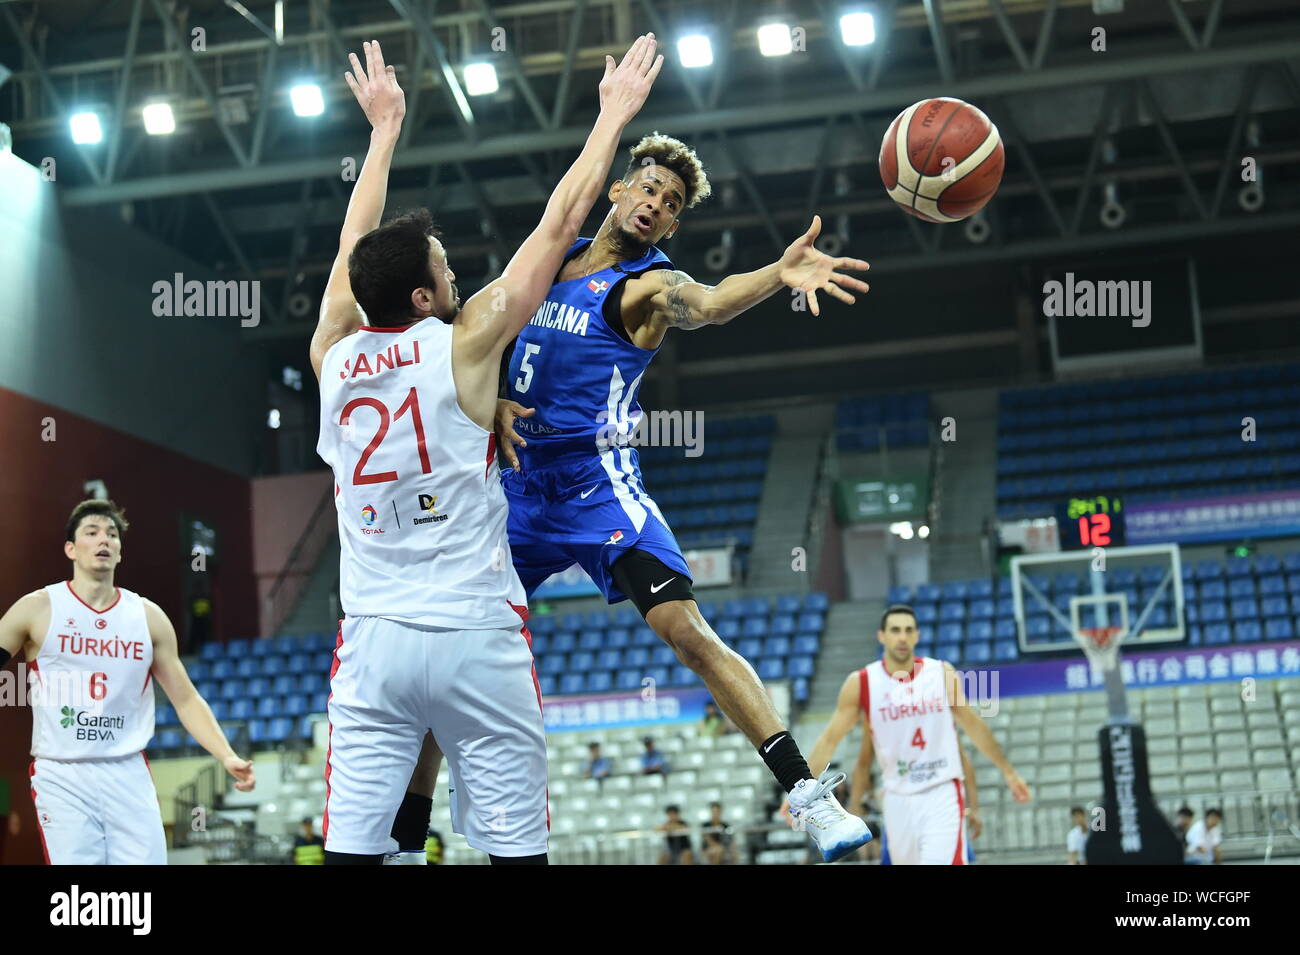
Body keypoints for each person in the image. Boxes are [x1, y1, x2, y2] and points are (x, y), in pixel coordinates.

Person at [309, 37, 662, 866]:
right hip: (476, 634)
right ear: (427, 296)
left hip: (375, 641)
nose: (459, 273)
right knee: (516, 855)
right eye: (446, 267)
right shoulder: (464, 344)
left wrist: (383, 135)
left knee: (351, 856)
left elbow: (349, 253)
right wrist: (611, 114)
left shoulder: (332, 349)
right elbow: (563, 222)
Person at [483, 124, 871, 863]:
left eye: (671, 201)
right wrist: (490, 398)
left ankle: (806, 794)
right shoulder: (551, 258)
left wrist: (776, 276)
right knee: (450, 641)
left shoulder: (648, 287)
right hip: (512, 486)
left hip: (597, 487)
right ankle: (406, 838)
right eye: (650, 187)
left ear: (673, 222)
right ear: (619, 188)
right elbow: (482, 332)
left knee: (687, 632)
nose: (656, 204)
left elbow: (714, 301)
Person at [0, 499, 255, 864]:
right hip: (62, 773)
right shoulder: (38, 608)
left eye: (112, 534)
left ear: (119, 551)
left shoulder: (147, 617)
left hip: (127, 771)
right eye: (92, 532)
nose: (104, 539)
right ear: (71, 548)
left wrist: (226, 755)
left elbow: (185, 699)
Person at [799, 604, 1032, 865]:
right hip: (897, 796)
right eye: (895, 630)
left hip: (941, 789)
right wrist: (799, 786)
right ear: (882, 636)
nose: (902, 637)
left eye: (908, 630)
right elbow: (833, 739)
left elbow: (973, 726)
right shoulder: (863, 682)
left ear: (917, 636)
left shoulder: (941, 673)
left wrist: (1008, 772)